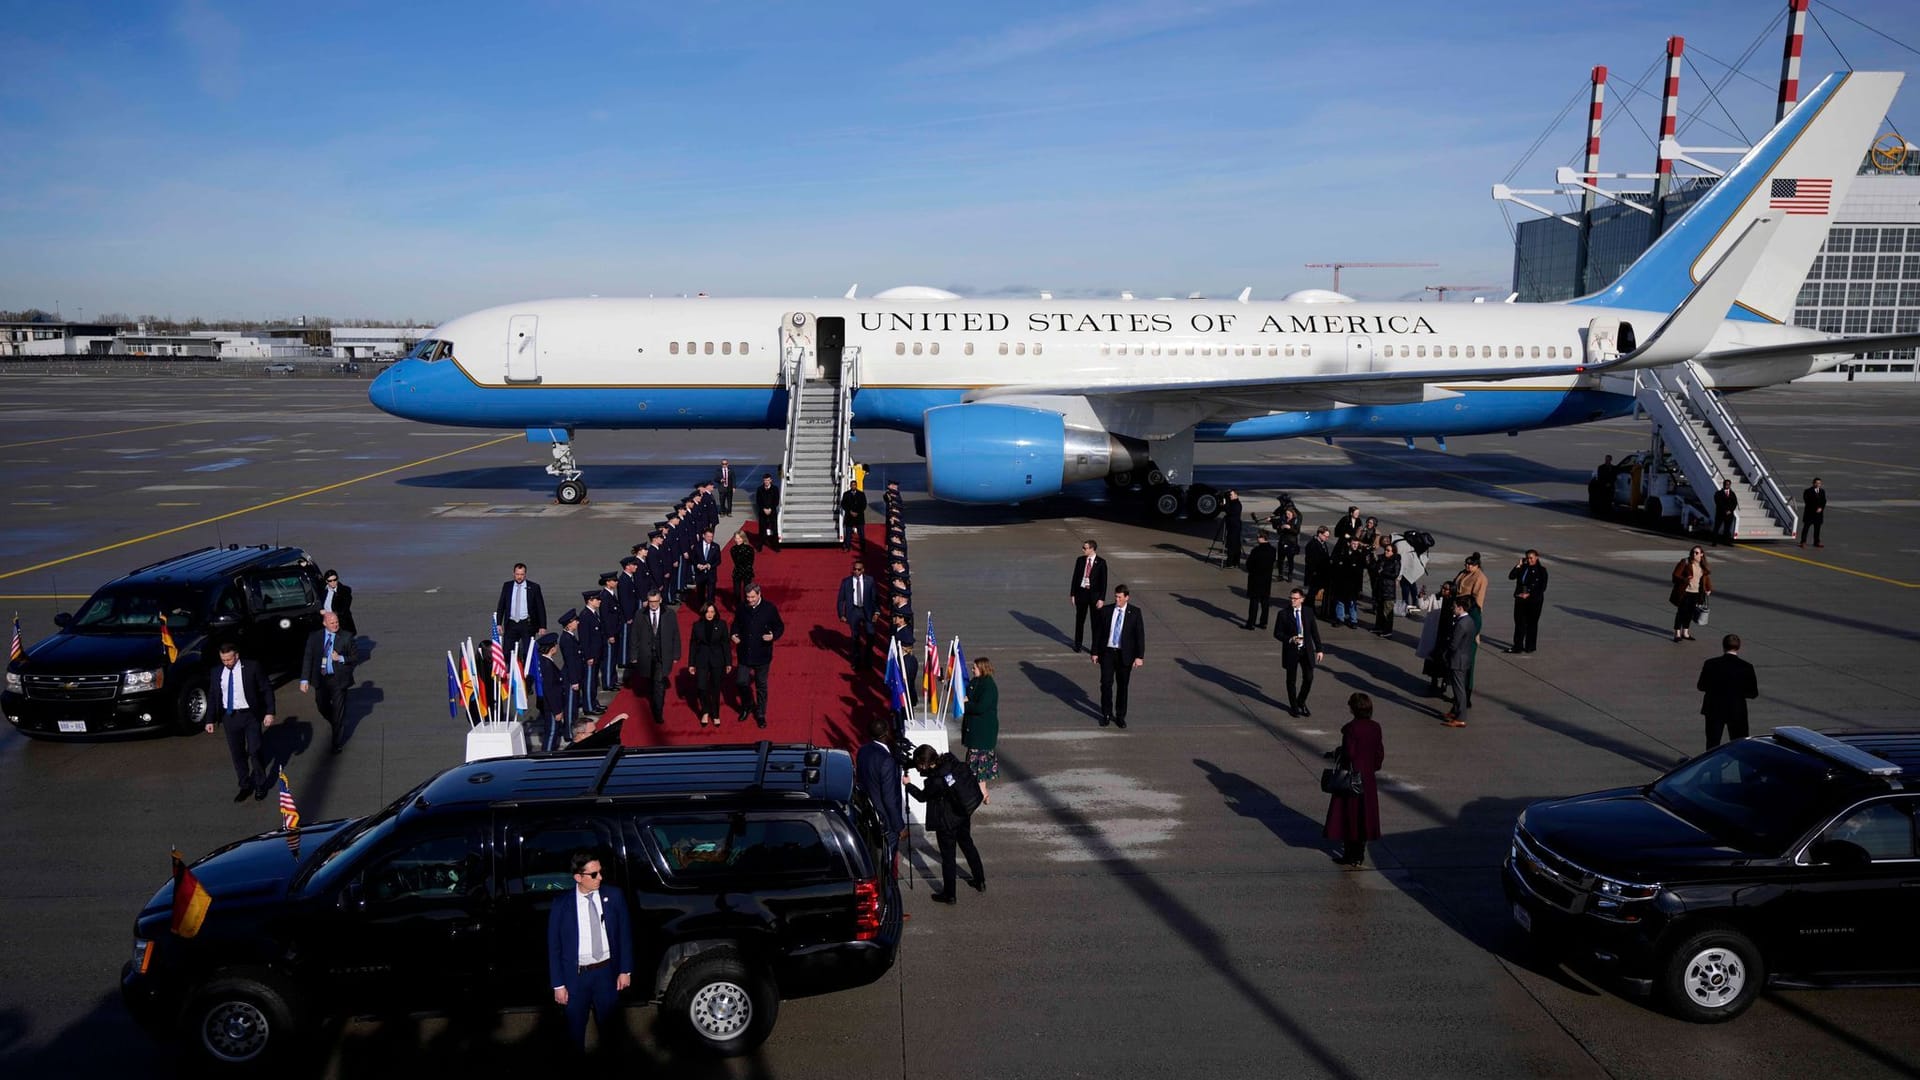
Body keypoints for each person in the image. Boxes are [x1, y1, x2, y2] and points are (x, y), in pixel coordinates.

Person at [546, 852, 632, 1054]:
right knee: (574, 1031)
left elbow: (624, 934)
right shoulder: (561, 904)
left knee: (610, 1030)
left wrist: (625, 970)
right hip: (576, 977)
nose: (600, 878)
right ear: (578, 877)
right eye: (594, 874)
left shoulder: (614, 896)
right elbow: (554, 946)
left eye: (601, 872)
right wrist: (558, 984)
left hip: (606, 973)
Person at [906, 744, 985, 904]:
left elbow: (922, 797)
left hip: (947, 822)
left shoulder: (935, 781)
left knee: (948, 857)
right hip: (963, 814)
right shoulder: (950, 760)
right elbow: (937, 772)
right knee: (968, 845)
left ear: (924, 764)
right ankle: (980, 880)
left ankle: (949, 894)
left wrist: (908, 785)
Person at [205, 642, 276, 801]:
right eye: (223, 660)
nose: (227, 663)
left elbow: (266, 689)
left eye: (229, 659)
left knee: (254, 750)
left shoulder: (252, 667)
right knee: (237, 753)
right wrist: (210, 719)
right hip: (230, 717)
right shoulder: (217, 672)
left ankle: (260, 784)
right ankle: (245, 785)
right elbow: (212, 696)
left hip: (250, 715)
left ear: (236, 655)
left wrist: (269, 712)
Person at [1324, 692, 1385, 868]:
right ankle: (1359, 853)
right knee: (1364, 816)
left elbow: (1349, 753)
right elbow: (1379, 753)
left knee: (1349, 816)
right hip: (1368, 778)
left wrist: (1339, 753)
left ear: (1354, 709)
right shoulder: (1376, 727)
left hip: (1351, 778)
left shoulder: (1351, 729)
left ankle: (1349, 854)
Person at [299, 611, 356, 753]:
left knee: (338, 712)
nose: (335, 625)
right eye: (332, 623)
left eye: (336, 622)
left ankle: (336, 743)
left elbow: (354, 657)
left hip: (338, 680)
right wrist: (304, 679)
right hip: (321, 679)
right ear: (324, 623)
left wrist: (341, 658)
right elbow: (308, 658)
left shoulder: (346, 637)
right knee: (322, 706)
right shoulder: (315, 637)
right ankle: (337, 723)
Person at [855, 718, 907, 873]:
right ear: (886, 733)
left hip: (866, 813)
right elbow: (889, 799)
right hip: (885, 821)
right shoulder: (887, 761)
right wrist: (900, 827)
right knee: (887, 861)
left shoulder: (862, 750)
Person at [1090, 584, 1144, 729]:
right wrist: (1094, 652)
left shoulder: (1135, 612)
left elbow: (1139, 636)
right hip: (1108, 653)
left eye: (1120, 597)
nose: (1117, 599)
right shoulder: (1106, 611)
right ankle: (1106, 714)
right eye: (1116, 596)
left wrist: (1139, 656)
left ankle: (1120, 716)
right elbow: (1098, 633)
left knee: (1122, 687)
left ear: (1127, 597)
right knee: (1106, 684)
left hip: (1124, 655)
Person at [731, 584, 784, 727]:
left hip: (762, 653)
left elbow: (779, 627)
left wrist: (773, 636)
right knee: (741, 681)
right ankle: (747, 704)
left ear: (759, 594)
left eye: (753, 597)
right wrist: (734, 634)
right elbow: (736, 624)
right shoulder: (742, 607)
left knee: (761, 685)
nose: (750, 600)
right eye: (748, 597)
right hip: (745, 652)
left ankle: (760, 714)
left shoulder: (769, 608)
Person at [1697, 633, 1759, 749]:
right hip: (1736, 710)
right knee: (1740, 744)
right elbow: (1753, 693)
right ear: (1738, 647)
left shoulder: (1710, 663)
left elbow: (1701, 686)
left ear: (1723, 646)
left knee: (1712, 744)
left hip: (1714, 709)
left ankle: (1711, 766)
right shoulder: (1746, 667)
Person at [627, 590, 680, 725]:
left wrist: (676, 654)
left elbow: (675, 635)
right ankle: (654, 701)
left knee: (659, 684)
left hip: (662, 655)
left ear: (660, 600)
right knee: (650, 682)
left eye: (656, 601)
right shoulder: (640, 614)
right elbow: (634, 636)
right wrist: (633, 655)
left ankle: (658, 712)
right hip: (646, 655)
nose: (653, 604)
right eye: (651, 602)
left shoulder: (669, 614)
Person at [1274, 586, 1324, 717]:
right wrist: (1290, 639)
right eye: (1291, 598)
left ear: (1302, 599)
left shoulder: (1308, 612)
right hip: (1291, 651)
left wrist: (1319, 649)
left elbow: (1314, 632)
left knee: (1309, 677)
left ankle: (1300, 701)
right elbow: (1277, 633)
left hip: (1306, 650)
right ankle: (1294, 706)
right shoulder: (1283, 614)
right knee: (1291, 680)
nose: (1292, 601)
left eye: (1295, 599)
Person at [960, 657, 999, 803]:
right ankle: (983, 792)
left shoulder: (989, 686)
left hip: (982, 732)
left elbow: (981, 707)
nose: (972, 669)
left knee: (978, 765)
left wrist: (966, 704)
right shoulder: (976, 682)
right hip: (976, 730)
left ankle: (982, 792)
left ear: (982, 668)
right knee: (976, 765)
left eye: (974, 667)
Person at [686, 601, 730, 729]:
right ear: (703, 612)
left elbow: (726, 644)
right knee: (701, 686)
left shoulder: (721, 625)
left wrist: (728, 662)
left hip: (717, 660)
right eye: (707, 612)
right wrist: (691, 664)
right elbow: (693, 644)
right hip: (702, 659)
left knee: (715, 688)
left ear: (715, 613)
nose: (709, 614)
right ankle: (705, 711)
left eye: (712, 612)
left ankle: (715, 714)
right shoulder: (697, 626)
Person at [495, 562, 547, 662]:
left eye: (522, 574)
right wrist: (498, 623)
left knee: (527, 652)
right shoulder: (507, 586)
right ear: (513, 574)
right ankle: (510, 672)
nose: (519, 577)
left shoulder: (534, 587)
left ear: (525, 574)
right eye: (517, 574)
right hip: (511, 624)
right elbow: (501, 605)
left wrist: (542, 626)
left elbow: (540, 607)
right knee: (507, 652)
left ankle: (527, 674)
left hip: (527, 624)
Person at [1417, 580, 1457, 697]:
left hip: (1446, 634)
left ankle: (1444, 681)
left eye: (1446, 588)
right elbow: (1422, 606)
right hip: (1435, 632)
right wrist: (1421, 597)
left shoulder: (1454, 602)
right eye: (1442, 587)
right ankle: (1433, 681)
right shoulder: (1435, 597)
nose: (1443, 590)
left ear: (1451, 591)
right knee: (1432, 658)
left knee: (1444, 659)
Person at [836, 560, 878, 672]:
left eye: (859, 569)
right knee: (855, 637)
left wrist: (877, 612)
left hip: (867, 611)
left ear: (863, 570)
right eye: (854, 569)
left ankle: (868, 659)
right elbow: (841, 600)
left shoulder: (870, 581)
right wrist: (841, 614)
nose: (856, 571)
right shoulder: (846, 582)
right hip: (854, 611)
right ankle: (856, 661)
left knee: (870, 634)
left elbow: (874, 598)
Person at [1068, 538, 1108, 653]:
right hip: (1081, 594)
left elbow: (1104, 582)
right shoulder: (1080, 560)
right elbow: (1075, 577)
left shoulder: (1101, 563)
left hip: (1094, 596)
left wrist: (1101, 598)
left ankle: (1095, 648)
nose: (1083, 550)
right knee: (1079, 621)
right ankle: (1078, 644)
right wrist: (1072, 594)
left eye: (1085, 548)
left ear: (1092, 549)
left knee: (1095, 623)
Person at [1506, 549, 1548, 654]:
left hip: (1534, 601)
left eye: (1531, 558)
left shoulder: (1542, 570)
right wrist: (1518, 565)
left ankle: (1530, 646)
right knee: (1519, 623)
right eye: (1527, 558)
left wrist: (1529, 594)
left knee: (1532, 623)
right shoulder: (1523, 568)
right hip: (1520, 599)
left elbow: (1542, 587)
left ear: (1537, 557)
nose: (1529, 560)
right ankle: (1518, 646)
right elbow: (1511, 576)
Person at [1669, 546, 1712, 643]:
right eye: (1693, 552)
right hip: (1685, 592)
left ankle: (1686, 632)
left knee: (1690, 613)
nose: (1694, 554)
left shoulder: (1702, 566)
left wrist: (1708, 588)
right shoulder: (1685, 562)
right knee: (1681, 612)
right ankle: (1677, 633)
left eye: (1697, 553)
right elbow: (1675, 575)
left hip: (1696, 593)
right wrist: (1685, 579)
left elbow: (1706, 578)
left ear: (1702, 554)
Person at [1442, 597, 1474, 727]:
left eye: (1454, 607)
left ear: (1460, 608)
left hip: (1458, 660)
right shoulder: (1469, 620)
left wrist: (1445, 654)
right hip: (1465, 657)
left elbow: (1454, 644)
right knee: (1458, 687)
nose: (1453, 608)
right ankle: (1455, 711)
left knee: (1459, 689)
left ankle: (1461, 717)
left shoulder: (1461, 624)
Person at [577, 589, 609, 713]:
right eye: (597, 599)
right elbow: (585, 639)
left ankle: (593, 703)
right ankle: (589, 706)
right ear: (590, 601)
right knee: (589, 682)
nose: (599, 601)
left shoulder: (593, 614)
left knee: (594, 681)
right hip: (591, 656)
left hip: (597, 654)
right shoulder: (585, 616)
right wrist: (588, 656)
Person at [537, 633, 569, 750]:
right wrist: (557, 711)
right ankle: (547, 755)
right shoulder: (548, 665)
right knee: (552, 732)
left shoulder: (544, 661)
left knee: (551, 730)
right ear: (552, 648)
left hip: (549, 704)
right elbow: (550, 689)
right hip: (552, 706)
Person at [1244, 531, 1277, 630]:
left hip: (1255, 578)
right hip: (1266, 579)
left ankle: (1251, 623)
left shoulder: (1256, 550)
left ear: (1262, 538)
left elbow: (1249, 564)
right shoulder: (1272, 550)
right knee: (1265, 601)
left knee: (1254, 602)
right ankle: (1263, 622)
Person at [557, 608, 585, 724]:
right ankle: (569, 731)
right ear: (569, 624)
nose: (577, 622)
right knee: (570, 706)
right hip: (570, 677)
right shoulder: (567, 639)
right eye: (575, 621)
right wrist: (574, 681)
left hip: (575, 675)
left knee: (574, 705)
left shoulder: (570, 636)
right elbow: (570, 661)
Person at [1330, 535, 1366, 628]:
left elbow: (1360, 573)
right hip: (1341, 582)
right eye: (1353, 543)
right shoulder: (1342, 553)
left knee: (1352, 603)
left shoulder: (1359, 556)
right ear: (1349, 543)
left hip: (1353, 584)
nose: (1355, 546)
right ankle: (1340, 619)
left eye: (1357, 544)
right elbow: (1335, 565)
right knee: (1340, 601)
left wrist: (1359, 588)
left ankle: (1353, 620)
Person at [1369, 537, 1400, 637]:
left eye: (1388, 550)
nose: (1386, 552)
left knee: (1388, 612)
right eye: (1385, 550)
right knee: (1380, 610)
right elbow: (1374, 568)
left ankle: (1387, 630)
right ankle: (1378, 627)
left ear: (1393, 552)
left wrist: (1383, 572)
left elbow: (1395, 574)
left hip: (1388, 590)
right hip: (1380, 588)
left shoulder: (1395, 561)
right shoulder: (1381, 558)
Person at [1303, 526, 1333, 619]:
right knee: (1312, 593)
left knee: (1313, 592)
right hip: (1315, 574)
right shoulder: (1312, 544)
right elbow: (1311, 561)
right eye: (1325, 536)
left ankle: (1308, 608)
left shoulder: (1322, 543)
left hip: (1321, 573)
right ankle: (1308, 609)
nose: (1327, 538)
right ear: (1319, 534)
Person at [319, 569, 355, 638]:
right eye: (330, 581)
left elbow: (343, 609)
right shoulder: (323, 590)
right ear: (326, 581)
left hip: (341, 624)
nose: (333, 582)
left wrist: (328, 613)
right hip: (326, 624)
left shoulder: (345, 591)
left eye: (335, 579)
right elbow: (315, 578)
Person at [689, 528, 719, 609]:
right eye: (708, 536)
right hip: (700, 574)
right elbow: (692, 558)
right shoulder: (697, 546)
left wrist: (710, 565)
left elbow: (718, 560)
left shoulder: (715, 546)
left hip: (711, 574)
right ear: (703, 536)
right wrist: (697, 565)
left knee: (711, 593)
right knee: (700, 594)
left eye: (711, 536)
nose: (710, 538)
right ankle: (702, 609)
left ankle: (710, 609)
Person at [727, 530, 755, 607]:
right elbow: (735, 561)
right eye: (736, 538)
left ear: (743, 538)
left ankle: (747, 606)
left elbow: (751, 562)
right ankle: (738, 607)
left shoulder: (749, 549)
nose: (737, 540)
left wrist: (746, 569)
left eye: (739, 538)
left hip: (747, 572)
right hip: (737, 571)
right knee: (737, 592)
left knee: (747, 591)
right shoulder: (733, 549)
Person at [754, 474, 781, 549]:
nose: (766, 482)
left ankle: (775, 546)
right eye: (765, 480)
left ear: (771, 480)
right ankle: (760, 546)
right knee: (762, 529)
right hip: (762, 512)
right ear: (763, 480)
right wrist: (764, 509)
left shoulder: (775, 489)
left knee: (774, 529)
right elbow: (758, 501)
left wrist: (770, 509)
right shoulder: (759, 489)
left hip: (772, 512)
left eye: (768, 480)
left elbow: (776, 500)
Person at [1275, 505, 1302, 581]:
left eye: (1289, 514)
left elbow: (1296, 531)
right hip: (1282, 542)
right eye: (1286, 514)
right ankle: (1280, 574)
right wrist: (1281, 527)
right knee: (1280, 560)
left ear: (1292, 513)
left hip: (1291, 543)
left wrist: (1290, 528)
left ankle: (1290, 575)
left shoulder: (1296, 520)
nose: (1287, 515)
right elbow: (1278, 530)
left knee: (1290, 560)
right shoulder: (1283, 519)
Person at [840, 480, 867, 550]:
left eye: (854, 485)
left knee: (861, 533)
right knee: (848, 533)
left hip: (859, 516)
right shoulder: (846, 494)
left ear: (856, 485)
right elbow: (843, 504)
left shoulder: (861, 494)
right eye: (852, 485)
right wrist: (850, 511)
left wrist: (857, 512)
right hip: (849, 516)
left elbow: (864, 505)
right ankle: (847, 546)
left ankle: (863, 547)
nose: (853, 486)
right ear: (850, 486)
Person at [1800, 477, 1826, 548]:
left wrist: (1821, 508)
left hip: (1818, 514)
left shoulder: (1822, 491)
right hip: (1810, 513)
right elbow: (1807, 502)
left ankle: (1816, 542)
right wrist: (1815, 509)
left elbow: (1824, 501)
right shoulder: (1808, 491)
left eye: (1819, 483)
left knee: (1817, 529)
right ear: (1813, 483)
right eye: (1817, 483)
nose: (1818, 484)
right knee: (1806, 528)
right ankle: (1803, 541)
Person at [1712, 479, 1739, 546]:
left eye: (1728, 484)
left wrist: (1730, 510)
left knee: (1727, 529)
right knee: (1717, 528)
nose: (1727, 485)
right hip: (1720, 514)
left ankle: (1726, 541)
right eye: (1726, 484)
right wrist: (1725, 510)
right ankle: (1714, 542)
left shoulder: (1732, 494)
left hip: (1729, 514)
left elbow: (1735, 503)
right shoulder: (1718, 493)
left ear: (1730, 485)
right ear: (1723, 484)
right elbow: (1718, 503)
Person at [1221, 490, 1243, 569]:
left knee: (1232, 545)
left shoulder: (1237, 504)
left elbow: (1229, 511)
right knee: (1234, 544)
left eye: (1231, 495)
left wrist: (1225, 505)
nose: (1230, 496)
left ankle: (1231, 563)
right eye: (1229, 495)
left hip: (1234, 527)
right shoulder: (1232, 503)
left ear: (1236, 495)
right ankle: (1234, 562)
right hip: (1232, 526)